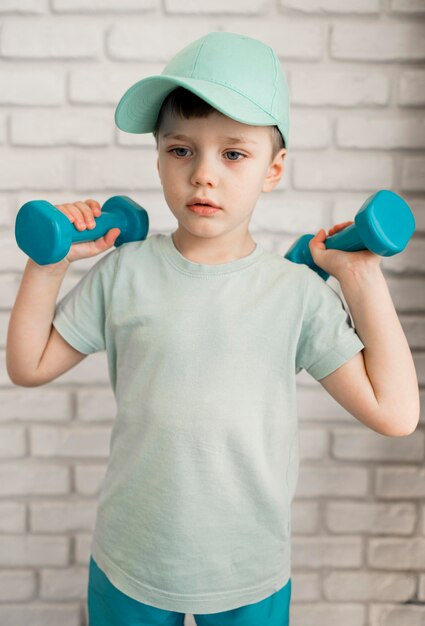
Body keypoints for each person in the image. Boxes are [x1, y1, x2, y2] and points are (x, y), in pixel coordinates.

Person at [6, 31, 420, 626]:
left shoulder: (294, 293)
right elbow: (28, 365)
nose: (204, 174)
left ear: (272, 170)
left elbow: (396, 413)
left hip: (247, 568)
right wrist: (48, 265)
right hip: (131, 560)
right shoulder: (126, 271)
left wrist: (359, 277)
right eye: (181, 150)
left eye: (233, 154)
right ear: (157, 158)